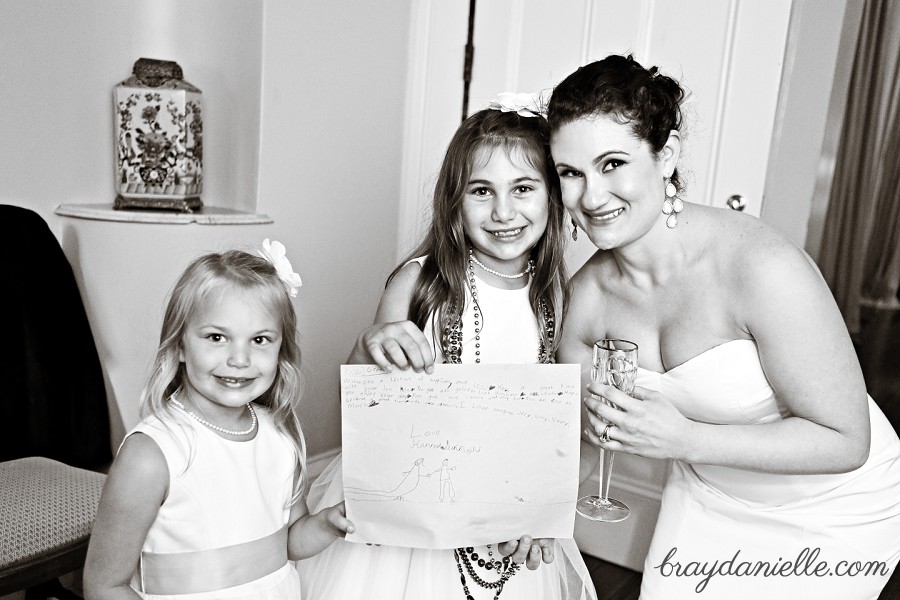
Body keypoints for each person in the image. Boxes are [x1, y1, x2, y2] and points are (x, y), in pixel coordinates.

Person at [548, 53, 900, 598]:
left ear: (666, 155)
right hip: (707, 497)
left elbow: (845, 441)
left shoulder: (762, 267)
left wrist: (684, 437)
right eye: (571, 173)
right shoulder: (587, 299)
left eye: (612, 163)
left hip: (831, 509)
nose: (591, 197)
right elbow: (573, 433)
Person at [296, 98, 597, 600]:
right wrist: (369, 346)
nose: (503, 212)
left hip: (507, 510)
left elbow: (566, 425)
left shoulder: (559, 296)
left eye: (523, 189)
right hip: (412, 502)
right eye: (482, 191)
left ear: (553, 196)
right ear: (454, 201)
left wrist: (544, 507)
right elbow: (365, 405)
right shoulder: (419, 284)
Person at [84, 241, 355, 600]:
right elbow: (104, 585)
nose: (239, 359)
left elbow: (287, 542)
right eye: (216, 337)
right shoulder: (152, 455)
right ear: (179, 344)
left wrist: (325, 524)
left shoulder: (279, 436)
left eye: (259, 339)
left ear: (281, 350)